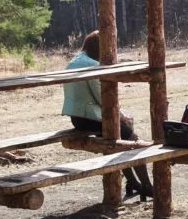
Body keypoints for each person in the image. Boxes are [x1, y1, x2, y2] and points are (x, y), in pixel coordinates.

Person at [62, 31, 153, 199]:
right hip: (91, 118)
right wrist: (121, 115)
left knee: (122, 136)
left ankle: (133, 182)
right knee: (132, 139)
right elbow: (104, 99)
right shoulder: (92, 64)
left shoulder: (73, 62)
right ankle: (146, 185)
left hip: (77, 119)